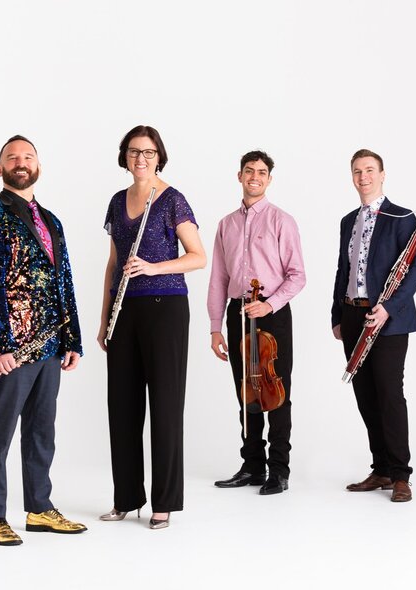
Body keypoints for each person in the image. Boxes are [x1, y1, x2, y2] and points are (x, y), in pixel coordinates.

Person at [0, 135, 86, 546]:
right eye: (12, 157)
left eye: (28, 156)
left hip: (50, 344)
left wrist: (72, 338)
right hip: (12, 349)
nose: (21, 162)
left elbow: (64, 280)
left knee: (41, 431)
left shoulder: (52, 220)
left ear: (38, 167)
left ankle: (39, 508)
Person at [97, 125, 206, 530]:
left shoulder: (173, 199)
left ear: (159, 156)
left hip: (166, 308)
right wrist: (104, 319)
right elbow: (113, 264)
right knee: (122, 407)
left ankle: (164, 503)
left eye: (148, 152)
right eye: (133, 151)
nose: (140, 158)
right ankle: (126, 498)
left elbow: (198, 256)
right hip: (124, 310)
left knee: (165, 407)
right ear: (124, 156)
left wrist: (153, 267)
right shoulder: (116, 201)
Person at [208, 150, 306, 495]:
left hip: (272, 315)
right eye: (249, 171)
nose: (254, 177)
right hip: (238, 314)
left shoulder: (282, 221)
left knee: (276, 393)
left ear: (269, 179)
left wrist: (269, 304)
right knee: (246, 390)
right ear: (240, 176)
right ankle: (252, 466)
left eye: (261, 172)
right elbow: (218, 279)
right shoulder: (226, 225)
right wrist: (215, 327)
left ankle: (279, 470)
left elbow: (297, 275)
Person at [332, 149, 416, 503]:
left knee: (389, 394)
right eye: (357, 171)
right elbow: (342, 270)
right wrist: (337, 315)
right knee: (366, 396)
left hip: (389, 318)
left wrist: (387, 308)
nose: (364, 177)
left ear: (382, 174)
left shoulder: (402, 217)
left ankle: (401, 475)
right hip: (353, 314)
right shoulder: (348, 221)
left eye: (370, 170)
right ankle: (382, 468)